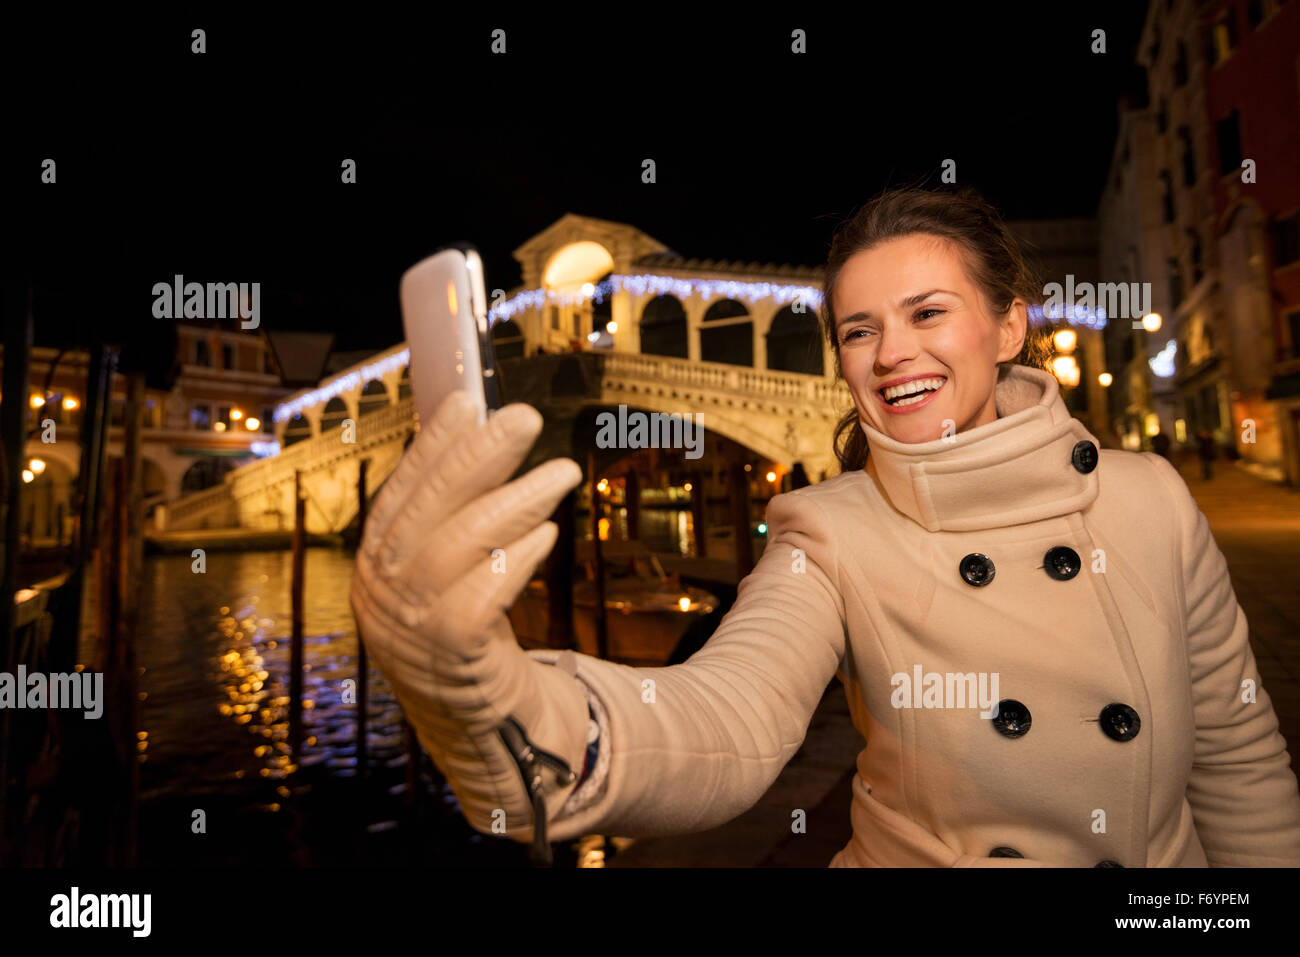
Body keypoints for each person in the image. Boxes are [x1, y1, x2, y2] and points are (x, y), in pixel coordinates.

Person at [350, 186, 1300, 867]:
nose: (892, 354)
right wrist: (490, 702)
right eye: (857, 330)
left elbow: (1236, 753)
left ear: (1012, 326)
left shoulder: (1151, 500)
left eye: (928, 311)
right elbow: (721, 721)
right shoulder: (828, 528)